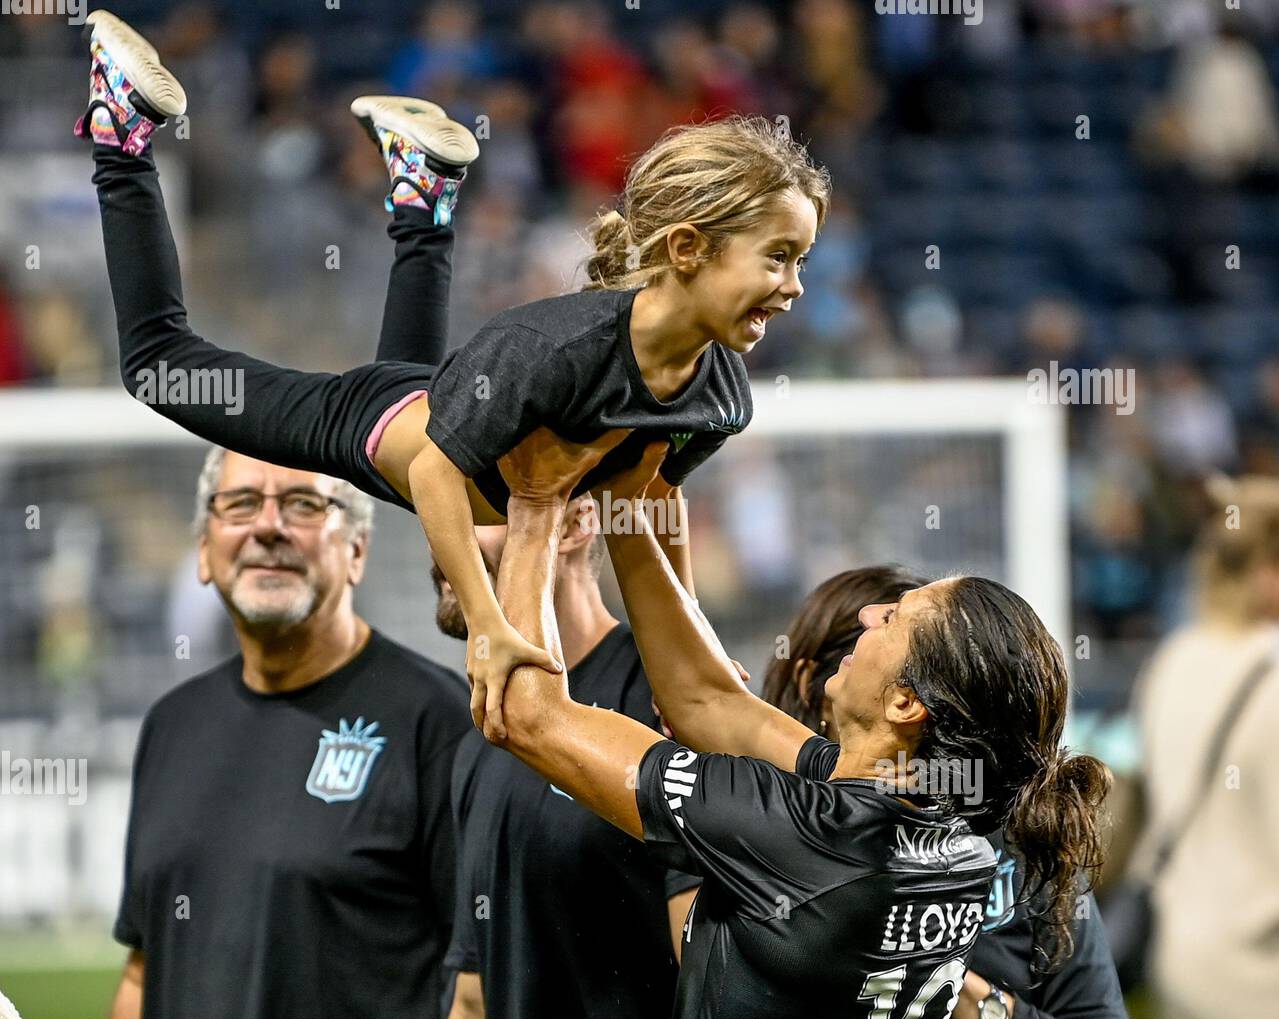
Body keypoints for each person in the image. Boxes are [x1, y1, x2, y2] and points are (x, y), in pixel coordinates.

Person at [76, 10, 830, 737]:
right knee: (158, 366)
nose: (795, 285)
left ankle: (424, 191)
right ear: (692, 246)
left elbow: (654, 515)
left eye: (800, 259)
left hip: (432, 424)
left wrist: (689, 643)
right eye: (778, 256)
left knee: (411, 382)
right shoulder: (559, 345)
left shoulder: (714, 386)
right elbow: (437, 469)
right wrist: (490, 627)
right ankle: (123, 128)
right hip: (376, 428)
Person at [477, 436, 1109, 1019]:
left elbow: (526, 715)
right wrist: (628, 501)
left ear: (905, 703)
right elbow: (710, 702)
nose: (867, 614)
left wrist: (535, 504)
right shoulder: (948, 837)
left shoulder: (803, 834)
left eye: (893, 618)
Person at [105, 447, 470, 1019]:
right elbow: (143, 972)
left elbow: (479, 992)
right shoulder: (171, 725)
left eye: (303, 505)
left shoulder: (440, 721)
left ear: (357, 551)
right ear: (203, 549)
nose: (268, 527)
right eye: (241, 504)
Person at [763, 566, 1130, 1019]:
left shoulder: (1020, 830)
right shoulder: (765, 820)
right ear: (811, 687)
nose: (872, 621)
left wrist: (955, 990)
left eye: (893, 625)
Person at [433, 497, 699, 1019]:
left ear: (576, 523)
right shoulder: (482, 733)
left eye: (477, 510)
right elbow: (472, 1006)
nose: (444, 541)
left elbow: (710, 992)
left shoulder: (664, 706)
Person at [1120, 474, 1279, 1019]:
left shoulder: (1173, 660)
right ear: (1268, 572)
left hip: (1180, 960)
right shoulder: (1275, 679)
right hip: (1265, 977)